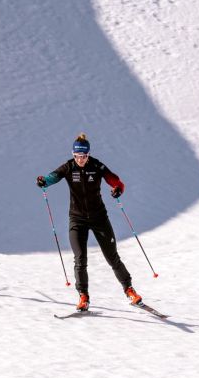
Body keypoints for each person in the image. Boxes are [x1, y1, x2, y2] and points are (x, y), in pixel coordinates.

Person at [36, 133, 141, 312]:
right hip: (77, 219)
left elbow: (114, 179)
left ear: (88, 155)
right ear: (73, 155)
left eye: (84, 156)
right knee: (80, 259)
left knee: (112, 257)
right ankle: (83, 297)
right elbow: (53, 176)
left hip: (99, 217)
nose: (81, 160)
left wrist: (118, 188)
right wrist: (44, 181)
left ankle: (129, 290)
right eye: (77, 156)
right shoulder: (68, 167)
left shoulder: (96, 165)